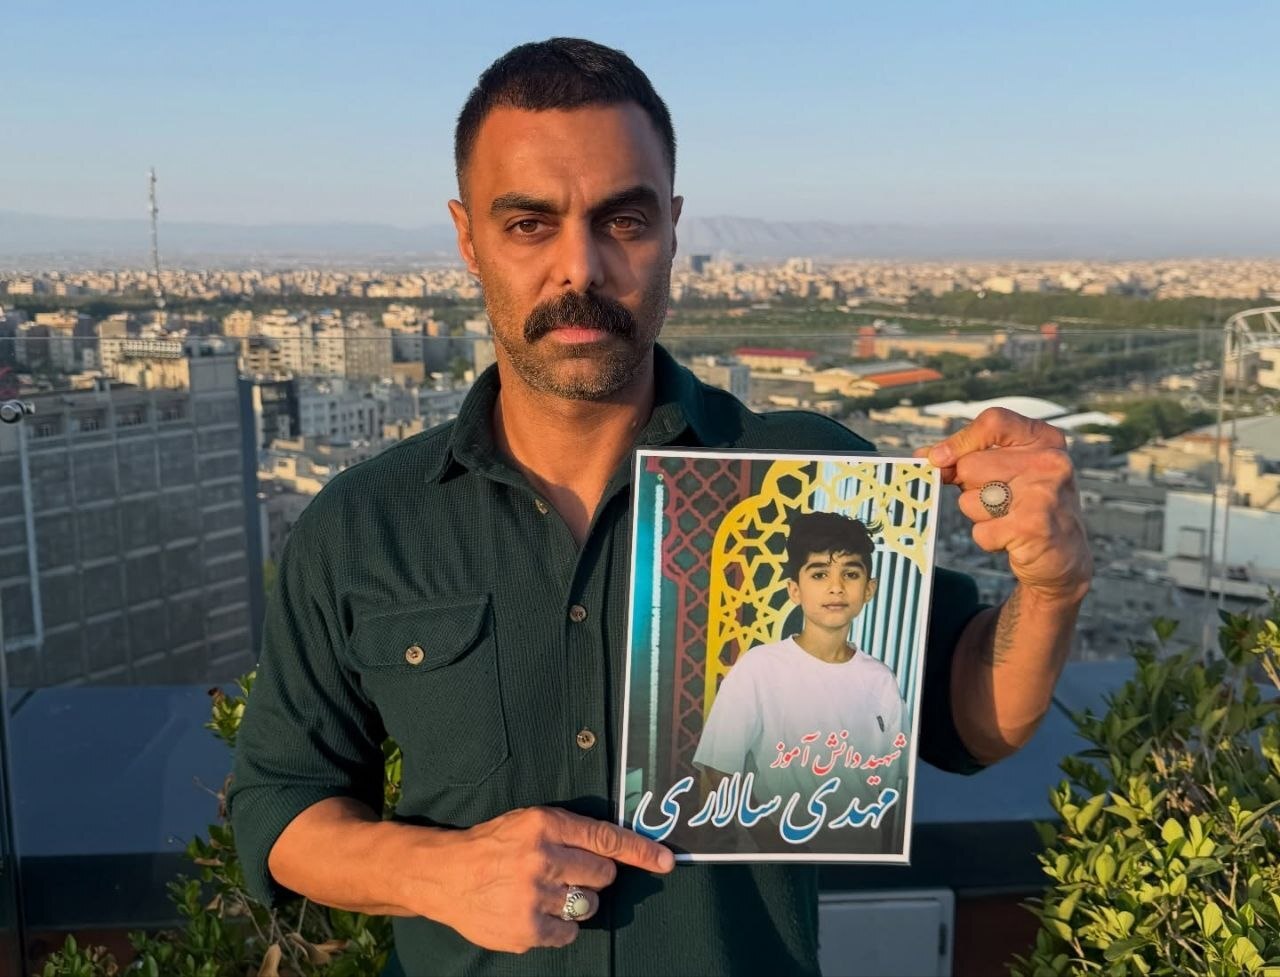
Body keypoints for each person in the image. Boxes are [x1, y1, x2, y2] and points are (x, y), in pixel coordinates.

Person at [228, 37, 1093, 977]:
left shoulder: (803, 476)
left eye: (624, 220)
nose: (580, 268)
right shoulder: (367, 523)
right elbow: (281, 803)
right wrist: (440, 872)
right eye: (529, 224)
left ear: (673, 228)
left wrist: (1051, 590)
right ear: (468, 237)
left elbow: (969, 719)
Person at [692, 510, 907, 853]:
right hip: (782, 856)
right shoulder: (760, 668)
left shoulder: (881, 680)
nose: (836, 587)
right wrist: (775, 842)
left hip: (859, 857)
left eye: (850, 574)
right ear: (794, 590)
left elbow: (892, 785)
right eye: (819, 574)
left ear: (869, 589)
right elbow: (720, 771)